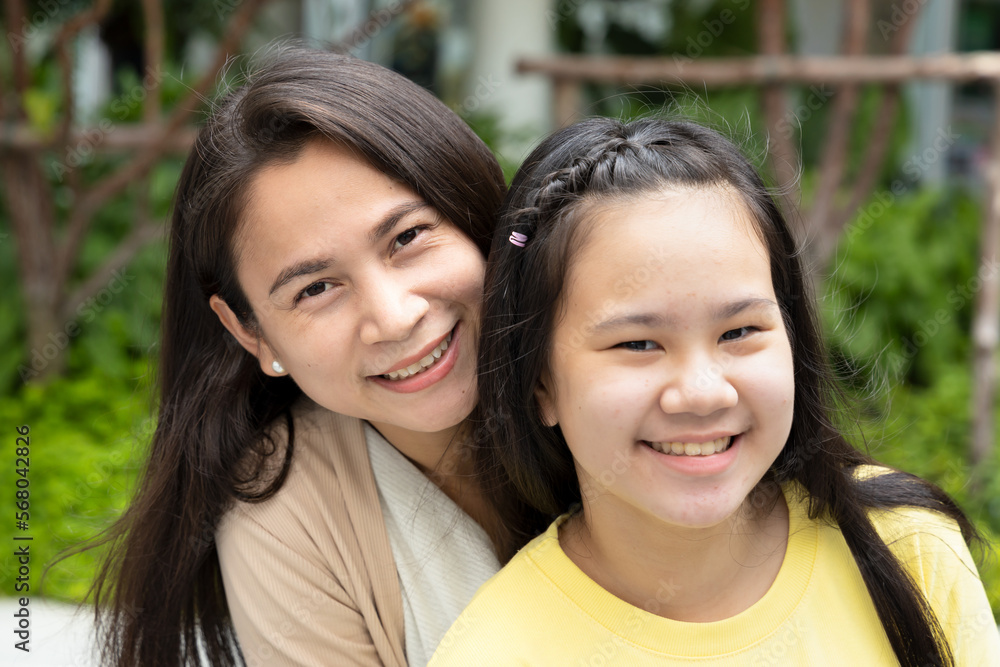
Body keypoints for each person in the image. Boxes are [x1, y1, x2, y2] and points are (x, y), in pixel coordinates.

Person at [430, 117, 1000, 666]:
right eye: (638, 344)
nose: (703, 393)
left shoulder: (908, 547)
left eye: (739, 332)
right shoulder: (499, 651)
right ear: (541, 386)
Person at [88, 46, 545, 667]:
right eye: (315, 289)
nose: (393, 317)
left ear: (478, 217)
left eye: (407, 237)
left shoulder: (633, 377)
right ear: (254, 335)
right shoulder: (284, 512)